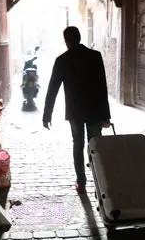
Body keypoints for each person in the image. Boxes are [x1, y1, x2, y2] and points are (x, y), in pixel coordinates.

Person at [42, 27, 111, 193]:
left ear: (66, 41)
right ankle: (100, 182)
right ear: (79, 38)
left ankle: (81, 183)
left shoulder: (62, 60)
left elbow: (52, 88)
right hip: (95, 110)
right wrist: (106, 115)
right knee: (96, 145)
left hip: (75, 112)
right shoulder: (95, 56)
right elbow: (102, 87)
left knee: (78, 145)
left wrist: (47, 114)